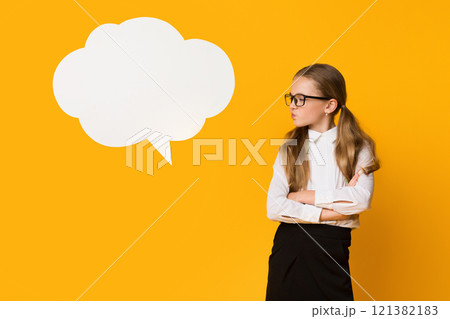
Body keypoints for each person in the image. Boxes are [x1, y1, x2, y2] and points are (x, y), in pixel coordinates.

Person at [265, 63, 381, 301]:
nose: (292, 105)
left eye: (301, 99)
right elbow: (274, 207)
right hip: (290, 247)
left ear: (329, 105)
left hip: (332, 249)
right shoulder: (289, 150)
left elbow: (360, 201)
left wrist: (300, 196)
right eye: (291, 98)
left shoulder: (358, 147)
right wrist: (334, 211)